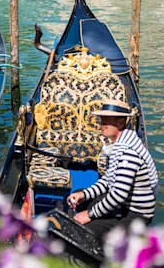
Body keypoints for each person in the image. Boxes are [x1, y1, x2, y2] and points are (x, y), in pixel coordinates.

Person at [66, 99, 158, 240]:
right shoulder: (121, 145)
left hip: (136, 214)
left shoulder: (128, 152)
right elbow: (108, 180)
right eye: (101, 120)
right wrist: (84, 194)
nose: (101, 125)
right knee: (79, 197)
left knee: (86, 232)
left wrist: (89, 214)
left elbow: (118, 195)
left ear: (120, 123)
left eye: (106, 121)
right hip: (123, 205)